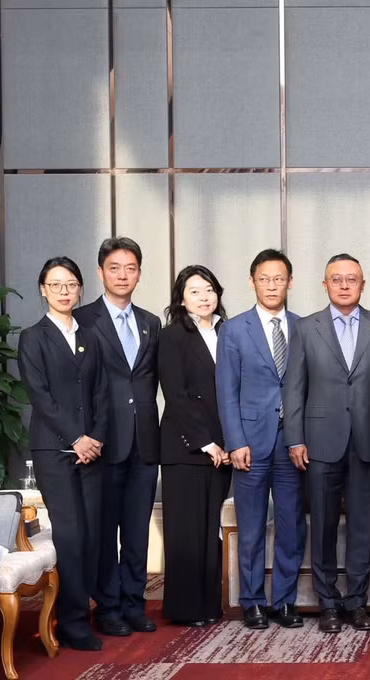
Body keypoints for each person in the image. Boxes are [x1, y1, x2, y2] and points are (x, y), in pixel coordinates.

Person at [283, 254, 370, 633]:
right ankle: (328, 602)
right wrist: (294, 437)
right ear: (324, 284)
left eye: (352, 279)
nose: (344, 285)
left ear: (363, 285)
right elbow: (293, 388)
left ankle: (357, 602)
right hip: (319, 441)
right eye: (337, 279)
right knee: (324, 526)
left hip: (367, 441)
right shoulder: (306, 328)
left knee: (362, 525)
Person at [17, 257, 108, 650]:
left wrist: (97, 438)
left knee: (91, 535)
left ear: (81, 289)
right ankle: (71, 623)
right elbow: (40, 396)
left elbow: (102, 393)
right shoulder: (32, 337)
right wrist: (77, 438)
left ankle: (81, 611)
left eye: (71, 284)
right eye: (56, 285)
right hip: (56, 449)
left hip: (92, 451)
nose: (64, 291)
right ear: (43, 290)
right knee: (69, 536)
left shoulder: (90, 335)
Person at [73, 237, 161, 637]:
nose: (123, 275)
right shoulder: (83, 320)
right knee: (106, 530)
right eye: (114, 267)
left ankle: (133, 603)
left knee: (138, 530)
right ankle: (106, 606)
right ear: (100, 272)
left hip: (144, 437)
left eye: (130, 268)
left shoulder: (150, 321)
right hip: (104, 440)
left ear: (139, 272)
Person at [216, 249, 305, 630]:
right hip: (250, 444)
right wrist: (235, 441)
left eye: (279, 278)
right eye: (264, 279)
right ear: (252, 282)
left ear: (289, 282)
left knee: (290, 526)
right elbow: (226, 391)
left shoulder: (305, 327)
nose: (272, 285)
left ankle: (284, 601)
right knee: (251, 527)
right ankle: (252, 600)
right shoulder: (234, 329)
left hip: (293, 444)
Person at [157, 265, 232, 626]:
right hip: (186, 447)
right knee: (186, 530)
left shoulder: (228, 331)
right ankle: (184, 608)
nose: (204, 297)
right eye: (195, 292)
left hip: (226, 447)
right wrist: (207, 443)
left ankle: (209, 605)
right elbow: (176, 394)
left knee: (211, 530)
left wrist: (229, 442)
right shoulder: (171, 336)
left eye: (209, 290)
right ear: (182, 300)